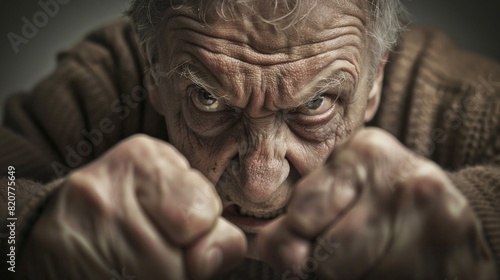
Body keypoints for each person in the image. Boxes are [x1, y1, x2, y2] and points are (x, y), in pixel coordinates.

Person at [0, 0, 499, 279]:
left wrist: (476, 224)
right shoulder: (105, 83)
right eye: (209, 101)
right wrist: (24, 236)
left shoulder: (459, 99)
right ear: (154, 72)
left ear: (374, 83)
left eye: (313, 105)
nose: (260, 185)